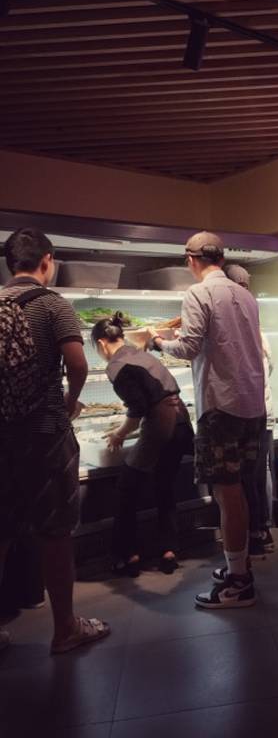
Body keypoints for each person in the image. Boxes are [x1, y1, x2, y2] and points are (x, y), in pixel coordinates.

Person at [0, 228, 109, 654]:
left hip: (2, 434)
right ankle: (65, 628)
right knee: (56, 531)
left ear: (9, 264)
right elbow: (77, 364)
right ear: (48, 260)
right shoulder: (53, 304)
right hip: (45, 434)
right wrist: (69, 401)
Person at [150, 232, 265, 608]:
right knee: (239, 489)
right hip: (252, 405)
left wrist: (157, 342)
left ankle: (239, 583)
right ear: (221, 258)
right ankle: (239, 564)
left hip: (221, 406)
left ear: (190, 260)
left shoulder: (198, 293)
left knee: (226, 494)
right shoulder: (245, 295)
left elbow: (189, 347)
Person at [91, 313, 194, 577]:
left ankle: (128, 555)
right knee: (164, 485)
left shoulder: (116, 366)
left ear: (101, 344)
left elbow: (137, 411)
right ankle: (169, 550)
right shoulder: (140, 354)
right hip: (182, 424)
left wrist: (119, 434)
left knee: (126, 489)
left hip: (162, 425)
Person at [224, 264, 276, 555]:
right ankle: (262, 529)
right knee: (258, 472)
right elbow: (269, 370)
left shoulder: (243, 331)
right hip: (264, 411)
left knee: (248, 476)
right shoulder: (258, 330)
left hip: (249, 413)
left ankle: (256, 532)